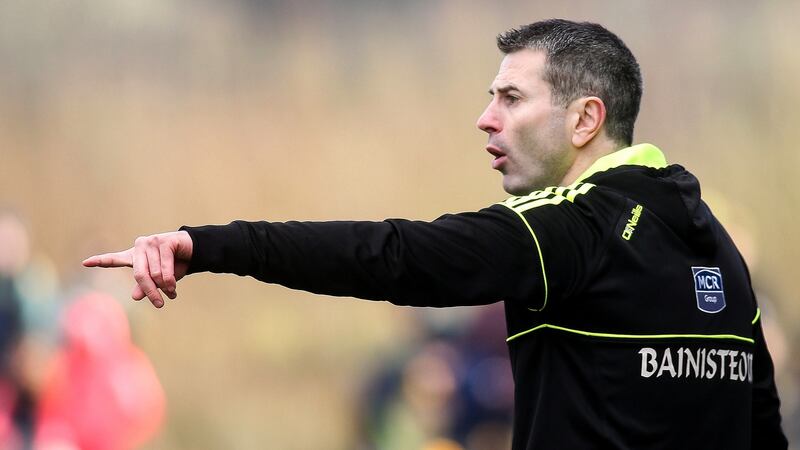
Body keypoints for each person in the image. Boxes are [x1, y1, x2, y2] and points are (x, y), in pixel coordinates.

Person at [83, 19, 787, 449]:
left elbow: (395, 257)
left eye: (511, 98)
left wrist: (207, 245)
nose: (486, 118)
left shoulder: (570, 231)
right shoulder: (717, 247)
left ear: (584, 120)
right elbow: (762, 429)